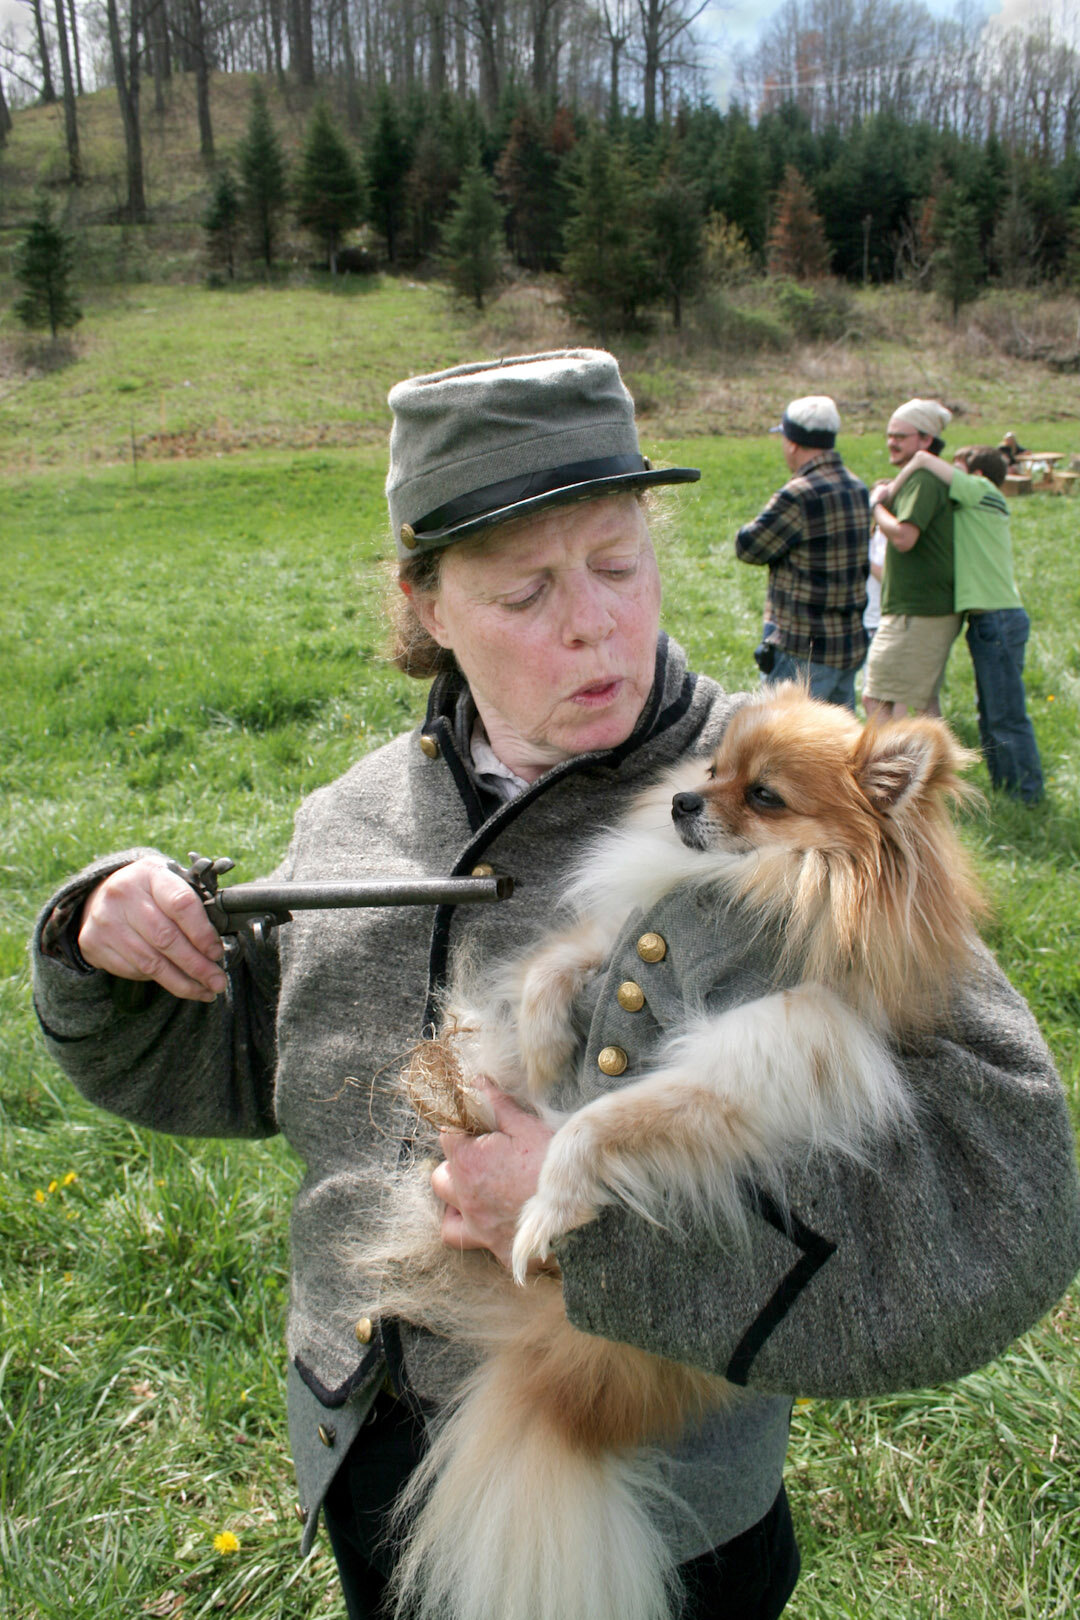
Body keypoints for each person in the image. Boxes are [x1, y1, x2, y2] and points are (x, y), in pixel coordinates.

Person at [30, 351, 1080, 1620]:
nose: (591, 622)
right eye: (526, 588)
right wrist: (109, 939)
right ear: (428, 607)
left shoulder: (804, 816)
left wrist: (600, 1217)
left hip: (654, 1510)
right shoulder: (356, 816)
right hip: (368, 1465)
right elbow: (235, 1063)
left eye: (619, 564)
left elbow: (1009, 1208)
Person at [882, 443, 1044, 804]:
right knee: (994, 710)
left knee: (1004, 712)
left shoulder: (981, 490)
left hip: (996, 617)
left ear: (979, 475)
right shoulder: (982, 503)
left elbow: (923, 459)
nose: (949, 475)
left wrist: (886, 493)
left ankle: (1026, 794)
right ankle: (1010, 788)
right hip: (996, 617)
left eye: (956, 467)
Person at [734, 395, 870, 711]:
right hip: (846, 646)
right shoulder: (857, 487)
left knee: (782, 750)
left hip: (802, 653)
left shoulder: (798, 494)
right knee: (836, 751)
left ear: (793, 443)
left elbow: (749, 547)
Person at [863, 398, 962, 720]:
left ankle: (891, 770)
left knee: (877, 699)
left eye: (901, 436)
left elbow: (905, 537)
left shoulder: (923, 480)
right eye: (890, 435)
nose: (892, 442)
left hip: (917, 611)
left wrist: (876, 506)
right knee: (919, 703)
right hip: (916, 608)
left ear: (926, 440)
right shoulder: (918, 478)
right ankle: (922, 769)